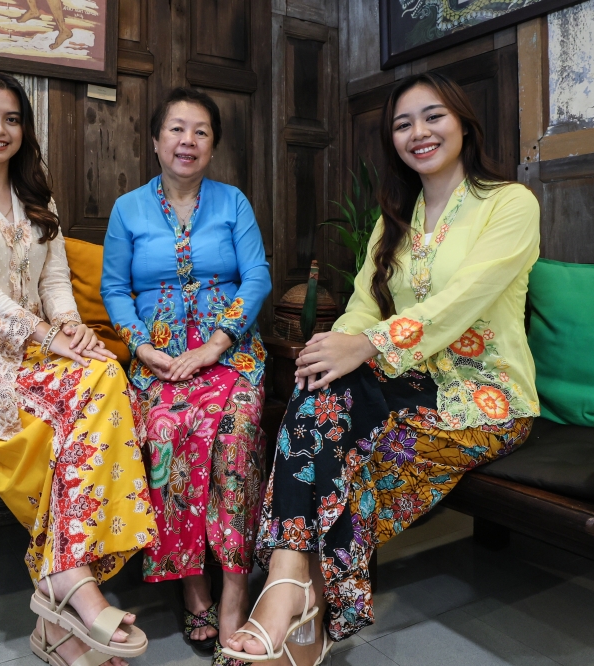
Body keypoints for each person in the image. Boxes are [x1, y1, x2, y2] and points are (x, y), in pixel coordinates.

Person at [223, 72, 541, 665]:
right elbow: (363, 306)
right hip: (406, 381)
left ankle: (298, 596)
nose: (418, 132)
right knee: (319, 387)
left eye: (433, 116)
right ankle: (293, 587)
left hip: (484, 397)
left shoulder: (510, 203)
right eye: (402, 124)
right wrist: (334, 347)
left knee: (356, 454)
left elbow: (463, 301)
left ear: (464, 123)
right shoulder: (395, 217)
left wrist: (365, 345)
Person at [0, 70, 157, 666]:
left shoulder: (39, 201)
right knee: (63, 427)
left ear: (24, 130)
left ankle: (58, 607)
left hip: (28, 354)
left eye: (12, 119)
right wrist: (48, 335)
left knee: (107, 375)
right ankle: (71, 584)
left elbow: (55, 281)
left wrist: (72, 330)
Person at [101, 87, 272, 664]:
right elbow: (114, 289)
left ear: (213, 146)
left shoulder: (233, 203)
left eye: (201, 131)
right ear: (155, 141)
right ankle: (191, 583)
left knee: (236, 433)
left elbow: (257, 276)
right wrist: (141, 346)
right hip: (159, 360)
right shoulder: (128, 209)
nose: (187, 141)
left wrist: (218, 343)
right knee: (166, 431)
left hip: (231, 353)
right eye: (176, 129)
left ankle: (234, 586)